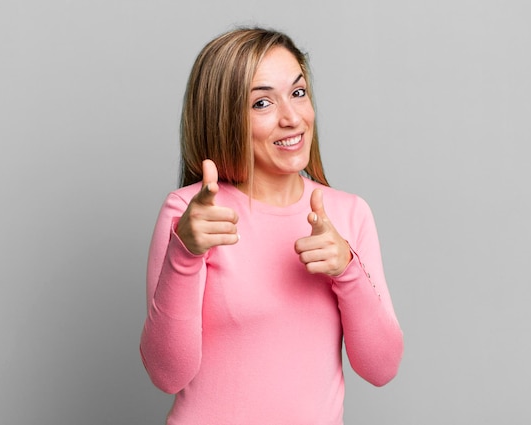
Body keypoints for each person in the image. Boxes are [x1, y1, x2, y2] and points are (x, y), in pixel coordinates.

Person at [140, 27, 403, 425]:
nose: (292, 117)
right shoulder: (190, 215)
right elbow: (166, 374)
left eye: (298, 93)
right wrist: (186, 253)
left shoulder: (348, 214)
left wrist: (347, 269)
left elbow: (381, 368)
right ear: (223, 117)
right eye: (262, 102)